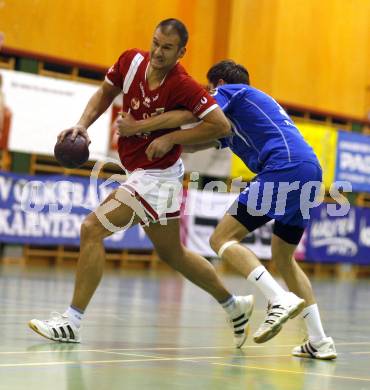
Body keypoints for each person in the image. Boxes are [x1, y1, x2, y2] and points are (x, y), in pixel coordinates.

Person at [28, 21, 254, 348]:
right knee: (173, 254)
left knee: (92, 228)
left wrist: (172, 138)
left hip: (157, 175)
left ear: (181, 52)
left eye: (166, 48)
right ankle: (235, 306)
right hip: (144, 172)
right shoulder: (131, 62)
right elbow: (105, 92)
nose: (158, 52)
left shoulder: (184, 86)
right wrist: (82, 124)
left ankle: (71, 322)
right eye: (156, 43)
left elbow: (220, 126)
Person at [116, 60, 337, 360]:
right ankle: (320, 340)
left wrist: (142, 127)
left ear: (217, 85)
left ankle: (278, 299)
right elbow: (198, 140)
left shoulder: (232, 92)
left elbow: (194, 113)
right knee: (284, 258)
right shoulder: (241, 112)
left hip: (282, 168)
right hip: (309, 172)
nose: (206, 98)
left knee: (221, 239)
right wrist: (164, 142)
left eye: (208, 92)